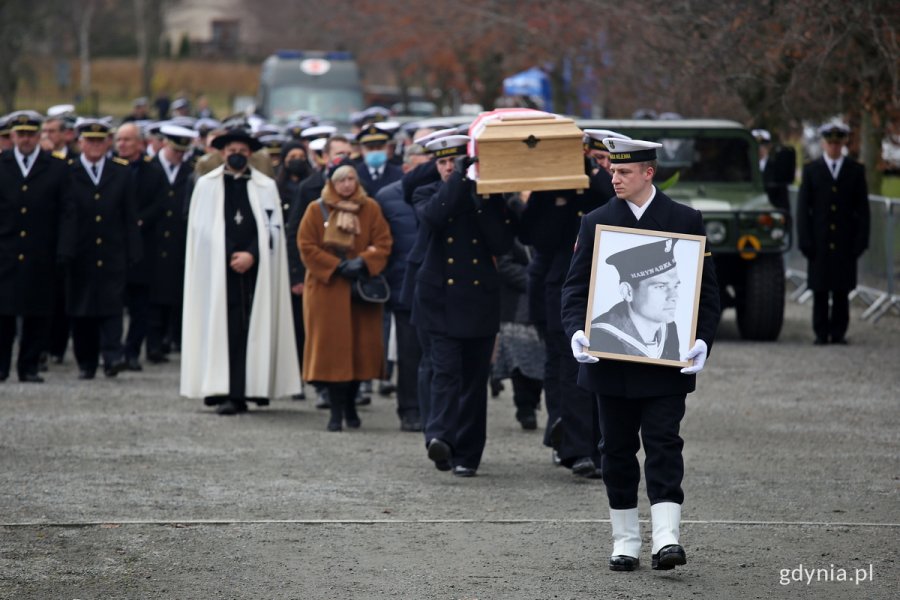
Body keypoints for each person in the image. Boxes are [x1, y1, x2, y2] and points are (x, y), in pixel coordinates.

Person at [561, 137, 720, 572]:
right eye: (613, 170)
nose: (614, 178)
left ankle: (667, 538)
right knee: (615, 449)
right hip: (610, 364)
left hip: (666, 362)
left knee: (664, 443)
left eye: (624, 172)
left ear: (648, 172)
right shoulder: (596, 221)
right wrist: (577, 331)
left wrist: (702, 339)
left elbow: (706, 291)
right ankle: (626, 540)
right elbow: (576, 288)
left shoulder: (685, 219)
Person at [413, 135, 515, 477]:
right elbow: (434, 218)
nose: (447, 168)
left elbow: (501, 243)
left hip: (479, 301)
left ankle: (468, 453)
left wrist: (481, 194)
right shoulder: (426, 192)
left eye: (454, 163)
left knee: (474, 381)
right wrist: (458, 179)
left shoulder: (488, 196)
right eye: (442, 163)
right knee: (444, 372)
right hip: (439, 301)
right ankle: (439, 436)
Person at [181, 127, 299, 414]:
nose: (236, 155)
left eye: (242, 151)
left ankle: (250, 388)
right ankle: (223, 389)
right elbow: (202, 230)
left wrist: (252, 255)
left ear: (250, 154)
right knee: (224, 328)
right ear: (222, 153)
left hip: (255, 271)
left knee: (251, 328)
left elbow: (272, 230)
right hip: (218, 271)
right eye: (231, 151)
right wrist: (231, 251)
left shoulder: (264, 186)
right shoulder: (207, 185)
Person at [519, 140, 616, 477]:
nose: (601, 165)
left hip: (610, 289)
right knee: (570, 370)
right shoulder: (557, 188)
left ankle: (603, 446)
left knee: (607, 374)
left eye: (605, 159)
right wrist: (560, 196)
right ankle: (577, 450)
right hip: (565, 290)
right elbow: (535, 236)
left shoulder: (610, 184)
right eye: (595, 158)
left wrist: (593, 172)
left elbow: (617, 204)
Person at [298, 165, 392, 431]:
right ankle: (335, 412)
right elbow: (306, 245)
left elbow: (384, 243)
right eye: (341, 180)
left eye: (352, 179)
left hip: (360, 291)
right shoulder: (316, 209)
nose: (347, 185)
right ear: (331, 183)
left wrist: (363, 261)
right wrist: (335, 265)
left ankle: (351, 406)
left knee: (360, 352)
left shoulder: (370, 208)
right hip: (327, 291)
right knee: (332, 353)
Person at [59, 119, 142, 380]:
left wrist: (134, 249)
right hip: (80, 250)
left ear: (108, 143)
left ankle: (112, 356)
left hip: (111, 249)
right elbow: (62, 214)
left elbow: (130, 214)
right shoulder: (68, 171)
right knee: (82, 309)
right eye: (90, 141)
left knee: (111, 306)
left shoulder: (121, 172)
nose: (95, 146)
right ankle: (87, 361)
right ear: (81, 142)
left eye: (100, 141)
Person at [0, 110, 68, 383]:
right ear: (13, 136)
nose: (26, 140)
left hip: (42, 249)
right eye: (21, 134)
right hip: (5, 248)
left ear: (40, 136)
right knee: (3, 312)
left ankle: (29, 365)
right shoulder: (2, 164)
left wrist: (64, 248)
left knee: (38, 311)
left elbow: (66, 211)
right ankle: (1, 365)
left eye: (31, 134)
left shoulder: (56, 167)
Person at [374, 137, 434, 431]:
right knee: (409, 354)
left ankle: (433, 409)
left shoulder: (440, 194)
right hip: (403, 286)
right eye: (420, 168)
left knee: (434, 354)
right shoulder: (386, 197)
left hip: (436, 284)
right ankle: (409, 409)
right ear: (407, 167)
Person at [796, 123, 869, 345]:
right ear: (823, 144)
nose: (834, 147)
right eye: (830, 143)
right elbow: (803, 209)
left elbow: (862, 210)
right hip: (819, 241)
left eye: (838, 143)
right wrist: (805, 240)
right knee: (820, 288)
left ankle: (838, 331)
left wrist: (860, 242)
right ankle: (820, 331)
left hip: (844, 242)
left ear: (843, 144)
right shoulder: (812, 170)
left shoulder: (855, 170)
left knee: (841, 289)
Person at [590, 239, 682, 360]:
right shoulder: (599, 339)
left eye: (675, 286)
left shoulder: (669, 329)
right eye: (660, 286)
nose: (674, 297)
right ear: (627, 292)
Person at [752, 128, 795, 214]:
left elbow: (783, 199)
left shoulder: (777, 167)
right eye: (755, 145)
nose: (759, 149)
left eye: (763, 145)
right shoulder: (745, 170)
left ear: (769, 146)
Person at [355, 123, 402, 198]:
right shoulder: (354, 174)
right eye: (370, 148)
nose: (375, 152)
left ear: (387, 148)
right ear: (361, 150)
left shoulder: (399, 173)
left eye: (379, 148)